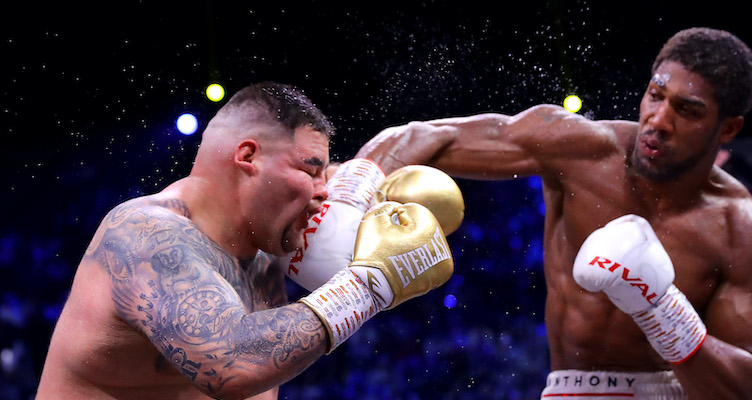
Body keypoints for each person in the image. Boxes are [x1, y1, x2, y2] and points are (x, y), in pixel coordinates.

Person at [355, 27, 752, 399]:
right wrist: (350, 189)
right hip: (568, 389)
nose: (659, 120)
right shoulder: (582, 150)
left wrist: (664, 311)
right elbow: (427, 136)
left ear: (727, 128)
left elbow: (746, 388)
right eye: (656, 95)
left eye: (687, 111)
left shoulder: (743, 230)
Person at [36, 81, 455, 399]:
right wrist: (371, 283)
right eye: (310, 170)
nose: (324, 189)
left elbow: (394, 148)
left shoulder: (271, 237)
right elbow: (230, 362)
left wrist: (368, 180)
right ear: (248, 157)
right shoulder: (146, 234)